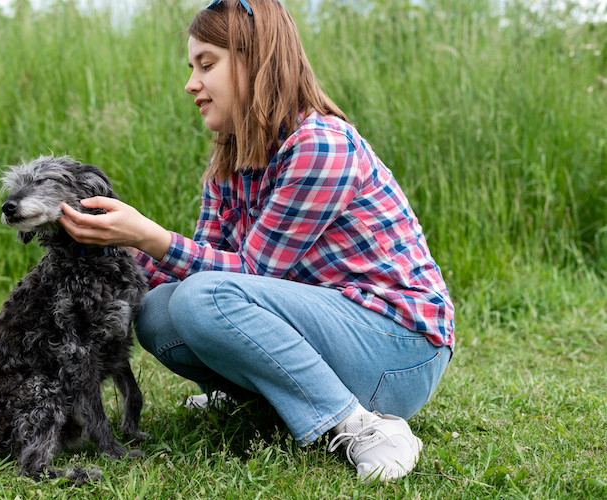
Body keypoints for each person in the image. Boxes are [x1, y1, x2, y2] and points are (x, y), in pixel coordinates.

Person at [59, 0, 454, 482]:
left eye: (207, 64)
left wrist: (151, 237)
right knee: (161, 310)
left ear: (255, 59)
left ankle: (364, 427)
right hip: (330, 339)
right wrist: (110, 248)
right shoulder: (228, 165)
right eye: (191, 68)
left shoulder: (321, 144)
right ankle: (260, 396)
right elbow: (198, 272)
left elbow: (248, 275)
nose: (191, 84)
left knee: (205, 299)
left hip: (398, 352)